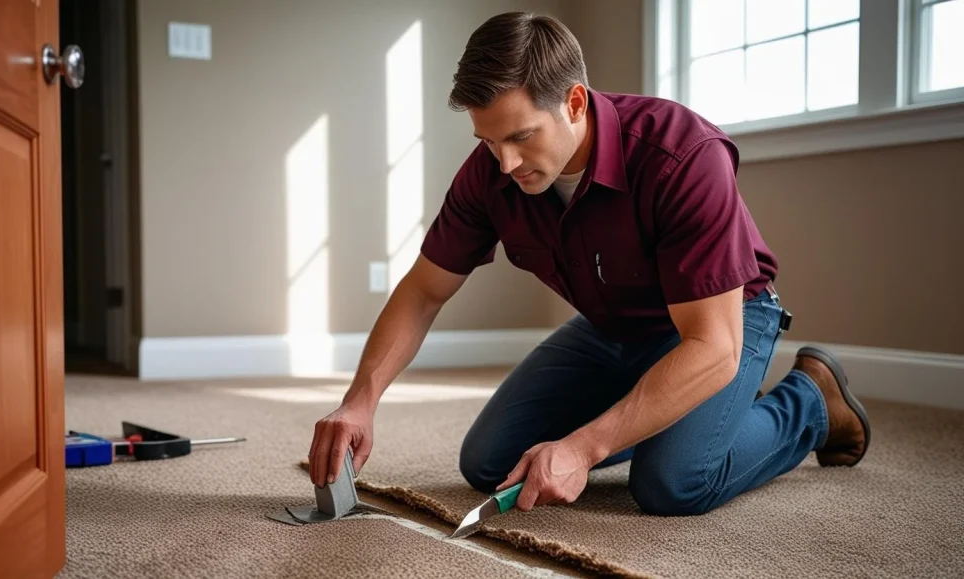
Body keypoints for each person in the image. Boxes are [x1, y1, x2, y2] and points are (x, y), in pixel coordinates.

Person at [308, 11, 870, 516]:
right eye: (488, 141)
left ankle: (811, 402)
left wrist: (585, 445)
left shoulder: (683, 156)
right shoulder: (490, 171)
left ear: (575, 103)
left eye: (521, 137)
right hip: (613, 326)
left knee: (672, 483)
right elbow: (424, 291)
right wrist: (360, 400)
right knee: (490, 464)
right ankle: (660, 420)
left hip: (721, 323)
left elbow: (714, 347)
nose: (504, 163)